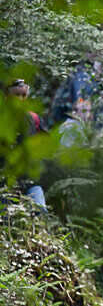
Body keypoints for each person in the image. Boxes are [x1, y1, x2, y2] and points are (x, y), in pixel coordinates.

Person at [4, 79, 48, 209]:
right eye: (16, 95)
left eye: (23, 95)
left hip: (31, 182)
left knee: (40, 213)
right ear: (7, 96)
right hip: (4, 185)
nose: (20, 99)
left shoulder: (34, 119)